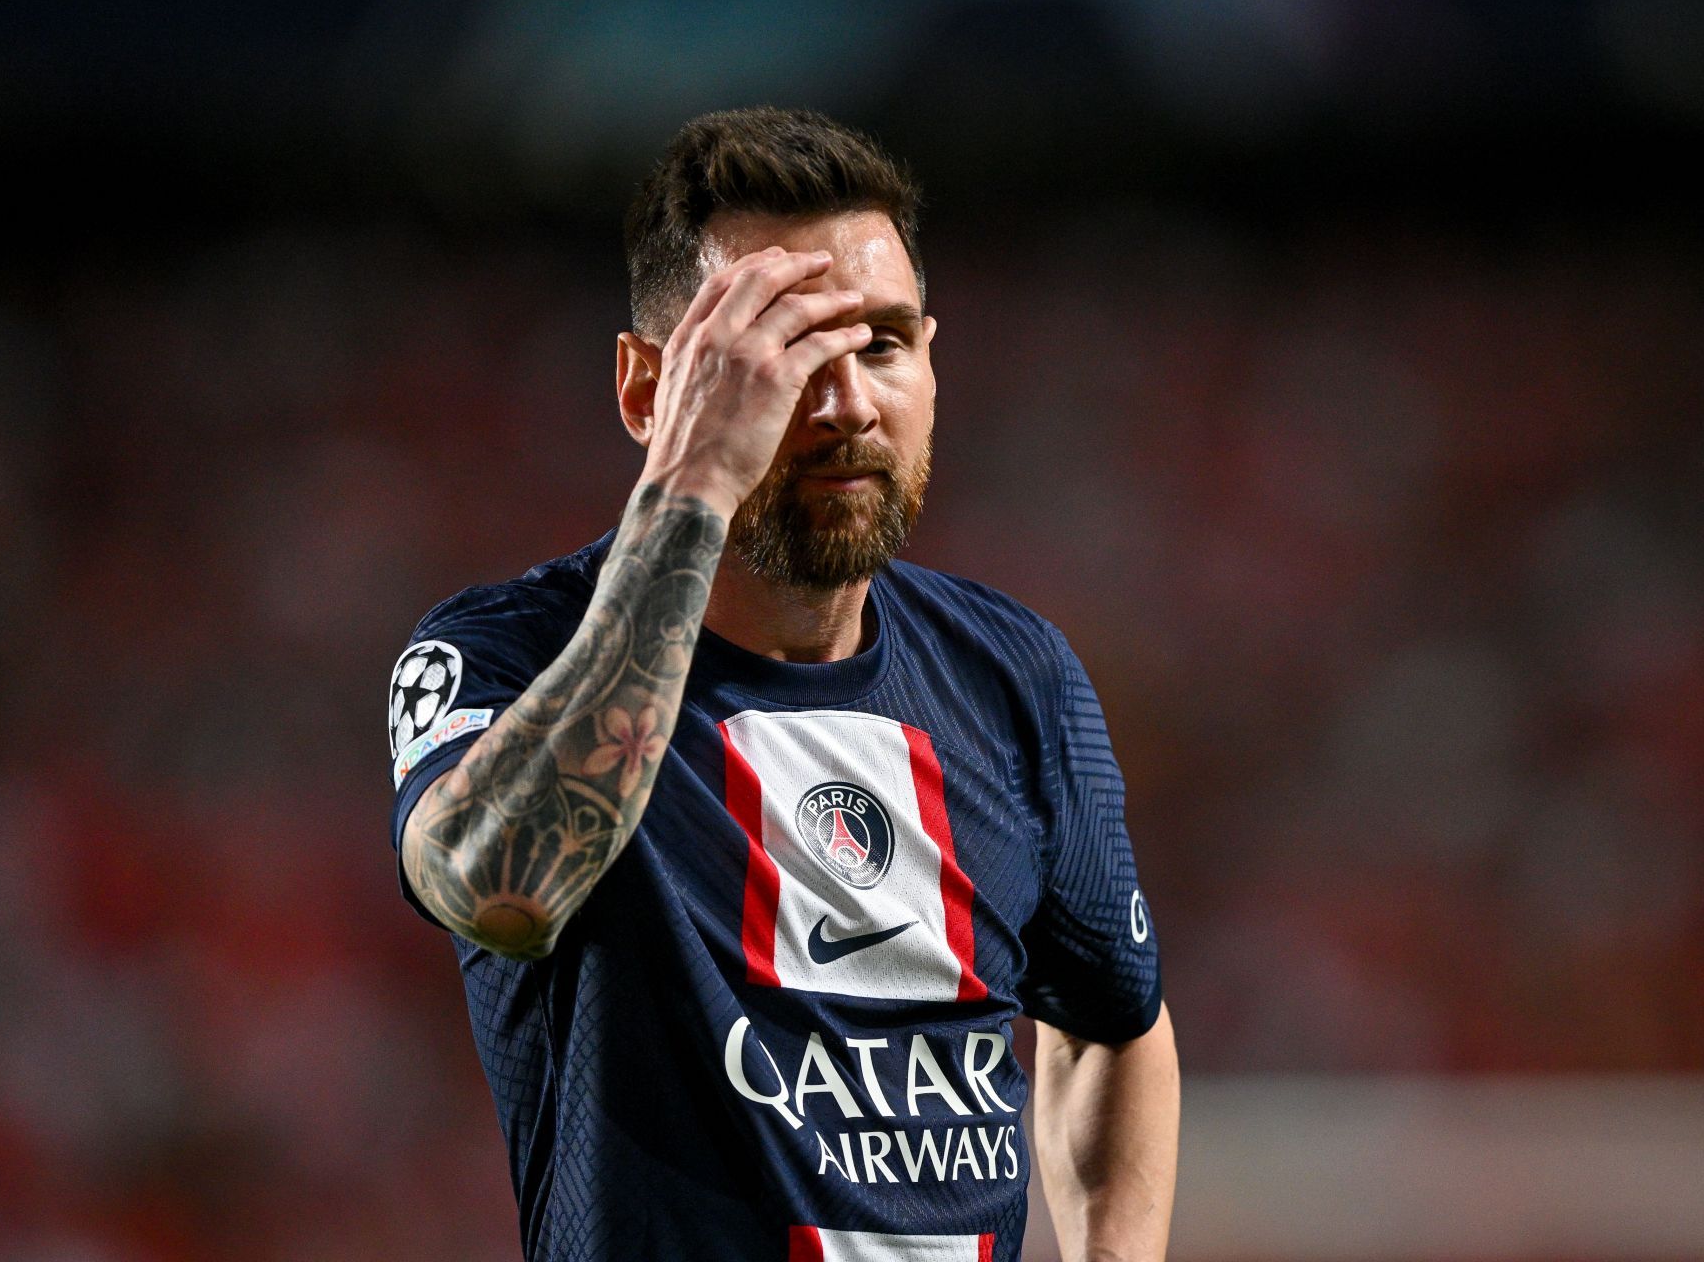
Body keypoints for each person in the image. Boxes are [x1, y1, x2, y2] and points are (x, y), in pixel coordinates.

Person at [385, 106, 1178, 1262]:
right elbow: (500, 884)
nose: (848, 401)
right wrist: (698, 475)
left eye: (884, 343)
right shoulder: (506, 653)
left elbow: (1113, 1022)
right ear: (648, 387)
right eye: (784, 351)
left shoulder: (1013, 674)